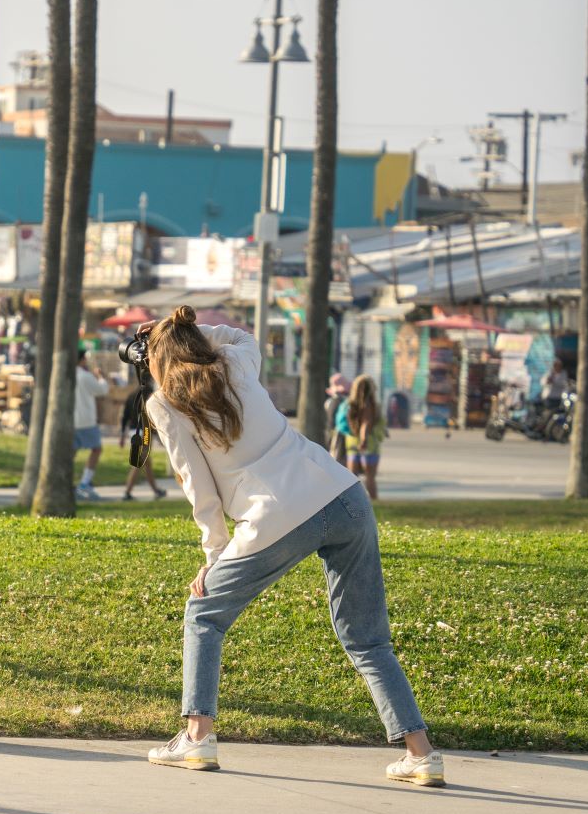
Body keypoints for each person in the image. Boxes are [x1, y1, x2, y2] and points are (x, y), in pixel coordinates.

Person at [139, 307, 442, 785]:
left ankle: (198, 738)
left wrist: (213, 555)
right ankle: (421, 754)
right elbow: (241, 335)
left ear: (156, 358)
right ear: (197, 341)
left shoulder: (163, 404)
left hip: (277, 514)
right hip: (344, 494)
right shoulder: (235, 364)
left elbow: (200, 489)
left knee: (204, 613)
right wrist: (186, 330)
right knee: (367, 638)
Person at [337, 375, 388, 501]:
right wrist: (364, 440)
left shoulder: (349, 405)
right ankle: (374, 502)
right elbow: (366, 424)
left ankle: (354, 503)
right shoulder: (370, 405)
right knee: (370, 477)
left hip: (352, 444)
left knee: (352, 479)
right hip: (369, 445)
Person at [119, 375, 167, 501]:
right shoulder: (150, 396)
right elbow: (152, 417)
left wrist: (122, 435)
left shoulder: (131, 396)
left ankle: (156, 490)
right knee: (139, 462)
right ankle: (127, 492)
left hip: (133, 433)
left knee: (147, 464)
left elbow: (125, 417)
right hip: (145, 433)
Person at [73, 353, 109, 501]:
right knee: (96, 449)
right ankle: (84, 482)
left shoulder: (66, 374)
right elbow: (103, 390)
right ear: (81, 360)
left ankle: (69, 482)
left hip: (72, 420)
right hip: (86, 420)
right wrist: (100, 376)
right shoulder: (85, 376)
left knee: (71, 453)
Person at [323, 372, 350, 466]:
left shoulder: (331, 401)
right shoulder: (346, 401)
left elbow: (329, 420)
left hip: (334, 433)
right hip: (345, 435)